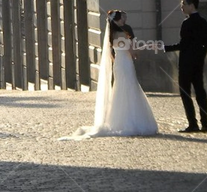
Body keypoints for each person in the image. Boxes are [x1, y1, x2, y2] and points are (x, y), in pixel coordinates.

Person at [61, 10, 158, 139]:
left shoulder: (112, 35)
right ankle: (130, 121)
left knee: (121, 89)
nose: (124, 21)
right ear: (117, 20)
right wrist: (148, 45)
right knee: (129, 89)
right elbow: (133, 51)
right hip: (125, 64)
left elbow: (117, 52)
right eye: (122, 19)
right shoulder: (123, 34)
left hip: (119, 63)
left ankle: (119, 119)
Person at [164, 0, 207, 133]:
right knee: (200, 92)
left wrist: (165, 48)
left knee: (185, 93)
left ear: (191, 5)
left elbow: (183, 45)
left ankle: (193, 123)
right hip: (198, 63)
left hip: (186, 64)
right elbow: (206, 43)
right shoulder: (203, 22)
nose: (181, 7)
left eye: (183, 4)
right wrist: (200, 58)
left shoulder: (187, 23)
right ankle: (206, 123)